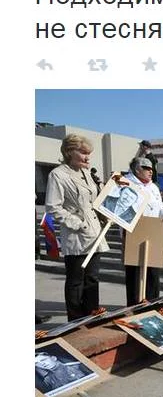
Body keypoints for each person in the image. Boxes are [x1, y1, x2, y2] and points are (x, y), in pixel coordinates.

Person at [45, 134, 109, 321]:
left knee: (92, 279)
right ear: (69, 152)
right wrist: (77, 223)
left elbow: (93, 201)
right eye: (83, 153)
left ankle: (92, 316)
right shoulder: (58, 175)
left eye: (89, 153)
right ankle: (75, 322)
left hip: (95, 234)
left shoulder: (87, 173)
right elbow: (53, 207)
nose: (87, 158)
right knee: (75, 281)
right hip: (76, 235)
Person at [123, 157, 163, 305]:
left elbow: (159, 209)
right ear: (137, 170)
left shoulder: (154, 187)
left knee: (153, 273)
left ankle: (152, 304)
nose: (151, 171)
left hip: (154, 232)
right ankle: (135, 306)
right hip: (134, 232)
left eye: (152, 169)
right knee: (135, 273)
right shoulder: (126, 184)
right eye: (146, 168)